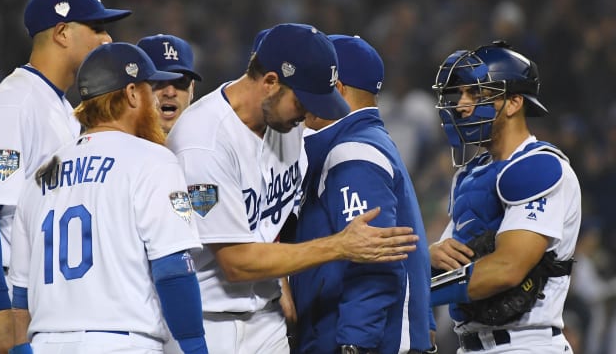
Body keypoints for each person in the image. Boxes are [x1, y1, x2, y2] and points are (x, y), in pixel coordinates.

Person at [166, 23, 420, 354]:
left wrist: (281, 277)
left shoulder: (284, 123)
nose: (309, 113)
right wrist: (341, 246)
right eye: (302, 101)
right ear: (270, 82)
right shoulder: (202, 143)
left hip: (266, 318)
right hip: (209, 323)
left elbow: (279, 214)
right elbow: (237, 262)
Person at [0, 0, 131, 353]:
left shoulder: (65, 111)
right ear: (62, 33)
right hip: (5, 294)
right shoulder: (13, 103)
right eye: (97, 28)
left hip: (43, 294)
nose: (108, 39)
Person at [9, 42, 208, 354]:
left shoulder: (41, 174)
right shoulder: (153, 159)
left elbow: (20, 297)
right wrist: (196, 347)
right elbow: (173, 271)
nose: (156, 102)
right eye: (148, 88)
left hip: (45, 343)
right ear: (131, 94)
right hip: (121, 343)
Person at [428, 41, 580, 353]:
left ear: (513, 103)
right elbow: (450, 259)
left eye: (477, 94)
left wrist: (418, 289)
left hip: (526, 343)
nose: (461, 105)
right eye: (461, 94)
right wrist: (429, 256)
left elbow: (507, 268)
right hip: (469, 344)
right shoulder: (471, 175)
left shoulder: (539, 167)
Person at [289, 34, 435, 354]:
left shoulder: (353, 152)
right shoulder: (369, 141)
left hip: (359, 341)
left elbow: (374, 262)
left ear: (336, 88)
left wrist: (356, 344)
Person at [137, 34, 203, 134]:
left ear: (192, 89)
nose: (170, 92)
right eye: (158, 81)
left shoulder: (210, 145)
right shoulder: (116, 147)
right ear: (134, 91)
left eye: (181, 82)